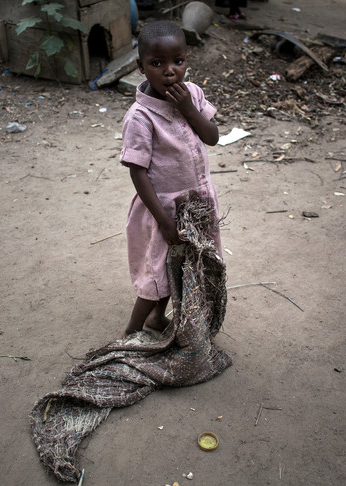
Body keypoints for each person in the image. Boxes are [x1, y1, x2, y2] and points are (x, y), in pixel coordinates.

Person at [119, 20, 222, 337]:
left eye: (178, 61)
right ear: (140, 66)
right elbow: (138, 171)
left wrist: (189, 109)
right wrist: (163, 220)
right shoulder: (140, 117)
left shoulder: (192, 94)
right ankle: (131, 333)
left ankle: (156, 319)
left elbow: (212, 137)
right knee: (157, 274)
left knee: (184, 267)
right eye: (157, 63)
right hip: (164, 207)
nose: (169, 71)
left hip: (198, 202)